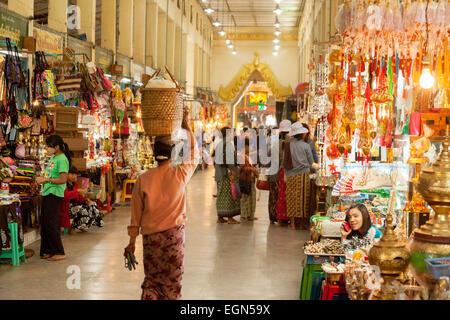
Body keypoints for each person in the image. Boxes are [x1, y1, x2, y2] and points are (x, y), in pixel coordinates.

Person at [124, 107, 198, 300]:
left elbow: (136, 215)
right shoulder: (180, 174)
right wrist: (185, 122)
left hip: (151, 241)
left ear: (154, 152)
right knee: (172, 285)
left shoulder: (144, 179)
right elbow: (193, 151)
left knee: (152, 283)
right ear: (173, 154)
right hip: (174, 239)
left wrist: (131, 243)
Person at [36, 135, 71, 261]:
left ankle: (58, 251)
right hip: (47, 192)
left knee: (52, 223)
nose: (46, 148)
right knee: (45, 223)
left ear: (56, 147)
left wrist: (46, 180)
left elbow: (63, 179)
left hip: (55, 193)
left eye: (49, 146)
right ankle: (48, 250)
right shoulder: (53, 158)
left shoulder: (62, 159)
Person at [284, 122, 314, 230]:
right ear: (302, 134)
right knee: (303, 198)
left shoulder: (288, 144)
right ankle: (301, 223)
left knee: (292, 198)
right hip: (303, 175)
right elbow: (311, 162)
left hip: (291, 175)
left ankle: (292, 223)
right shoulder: (306, 146)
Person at [62, 166, 104, 233]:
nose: (74, 176)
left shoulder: (74, 183)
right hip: (66, 206)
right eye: (72, 174)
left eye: (75, 174)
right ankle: (73, 227)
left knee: (92, 205)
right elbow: (65, 196)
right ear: (67, 174)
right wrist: (78, 191)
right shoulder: (63, 184)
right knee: (82, 209)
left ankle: (84, 225)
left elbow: (78, 196)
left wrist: (86, 200)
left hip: (75, 204)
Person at [214, 127, 241, 224]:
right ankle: (230, 218)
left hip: (219, 173)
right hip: (226, 174)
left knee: (221, 195)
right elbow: (230, 161)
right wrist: (233, 172)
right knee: (229, 195)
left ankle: (220, 217)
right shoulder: (228, 144)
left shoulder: (219, 144)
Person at [276, 120, 292, 227]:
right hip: (288, 171)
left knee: (281, 194)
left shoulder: (277, 143)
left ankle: (281, 217)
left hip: (280, 171)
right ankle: (286, 217)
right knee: (287, 194)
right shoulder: (290, 142)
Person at [239, 139, 259, 222]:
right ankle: (244, 215)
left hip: (250, 179)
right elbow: (241, 169)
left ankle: (251, 215)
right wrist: (251, 169)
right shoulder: (241, 155)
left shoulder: (247, 155)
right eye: (249, 146)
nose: (251, 148)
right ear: (245, 146)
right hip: (245, 179)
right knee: (245, 198)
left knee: (252, 198)